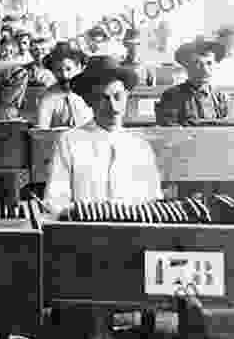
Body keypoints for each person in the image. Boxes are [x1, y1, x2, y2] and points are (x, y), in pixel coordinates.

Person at [44, 56, 163, 218]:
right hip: (84, 233)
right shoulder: (70, 141)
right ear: (89, 101)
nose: (113, 107)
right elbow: (55, 201)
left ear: (127, 96)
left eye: (118, 96)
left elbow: (152, 200)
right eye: (103, 98)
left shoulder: (140, 146)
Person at [156, 37, 230, 126]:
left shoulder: (220, 97)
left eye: (209, 63)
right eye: (197, 63)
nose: (205, 70)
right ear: (186, 66)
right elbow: (169, 131)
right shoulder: (172, 96)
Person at [36, 43, 93, 129]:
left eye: (69, 69)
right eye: (58, 70)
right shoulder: (47, 98)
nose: (64, 75)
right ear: (53, 71)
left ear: (79, 68)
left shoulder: (92, 93)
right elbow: (41, 130)